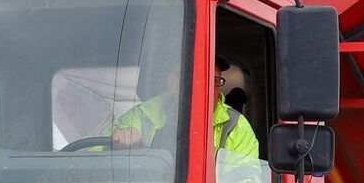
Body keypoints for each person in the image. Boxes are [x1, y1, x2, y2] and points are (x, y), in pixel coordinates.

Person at [110, 56, 259, 160]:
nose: (206, 87)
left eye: (214, 80)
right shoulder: (141, 116)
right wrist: (117, 147)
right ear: (172, 82)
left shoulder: (236, 127)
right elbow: (92, 161)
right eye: (198, 78)